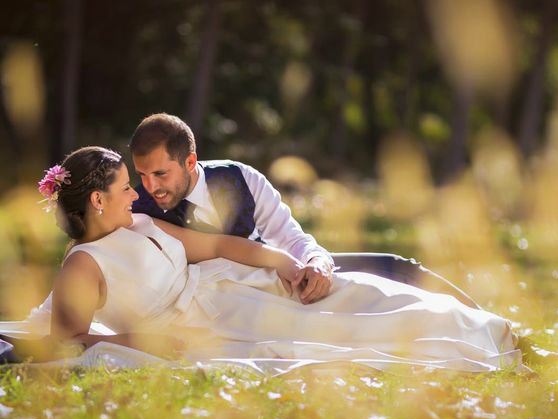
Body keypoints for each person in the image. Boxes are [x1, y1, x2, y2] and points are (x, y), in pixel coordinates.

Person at [0, 147, 521, 372]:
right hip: (197, 321)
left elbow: (221, 246)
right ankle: (467, 344)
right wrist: (131, 341)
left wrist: (282, 264)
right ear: (96, 201)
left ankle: (484, 328)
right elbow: (70, 338)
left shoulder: (141, 222)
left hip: (230, 283)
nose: (135, 195)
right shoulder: (84, 264)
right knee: (318, 340)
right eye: (122, 188)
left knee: (359, 292)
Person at [130, 113, 479, 308]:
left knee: (396, 266)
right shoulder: (141, 212)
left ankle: (493, 326)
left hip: (292, 276)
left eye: (161, 174)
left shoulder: (241, 178)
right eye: (142, 175)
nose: (151, 187)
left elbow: (291, 237)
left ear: (190, 161)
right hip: (244, 302)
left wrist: (318, 263)